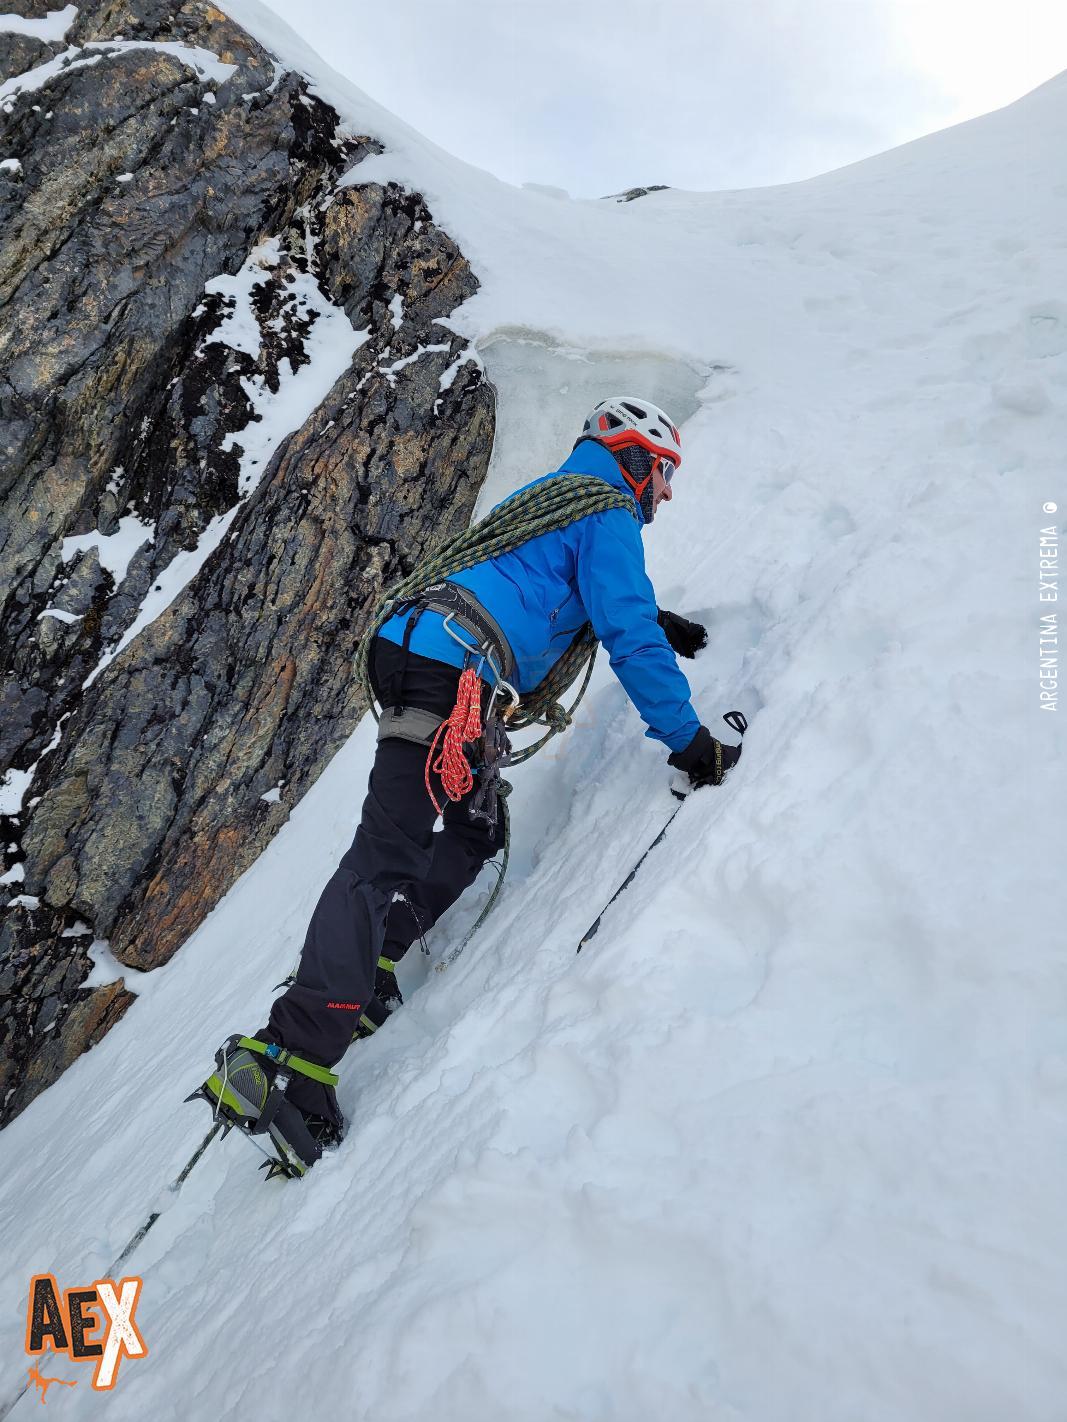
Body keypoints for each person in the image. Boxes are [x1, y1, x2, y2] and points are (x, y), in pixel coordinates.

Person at [195, 397, 743, 1176]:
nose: (665, 493)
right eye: (663, 473)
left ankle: (376, 966)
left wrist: (657, 616)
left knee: (471, 826)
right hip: (453, 670)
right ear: (637, 461)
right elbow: (619, 625)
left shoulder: (554, 494)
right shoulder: (607, 510)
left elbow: (540, 580)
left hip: (424, 651)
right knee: (383, 855)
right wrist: (689, 743)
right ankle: (288, 1056)